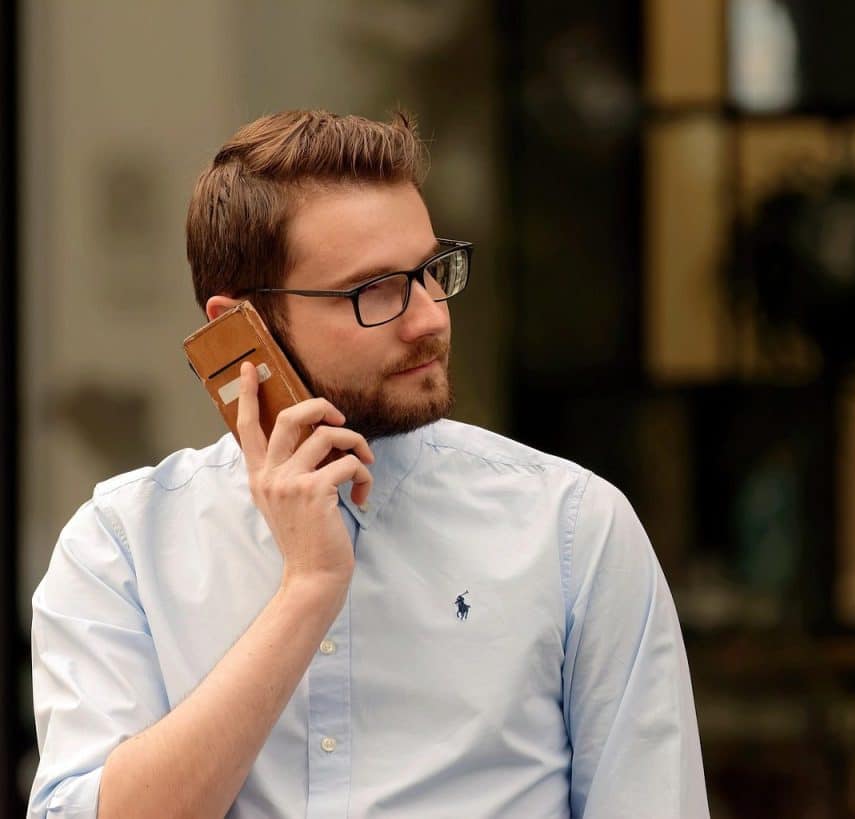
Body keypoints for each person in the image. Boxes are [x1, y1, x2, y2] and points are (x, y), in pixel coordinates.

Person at [28, 109, 709, 818]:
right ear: (239, 327)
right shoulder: (123, 546)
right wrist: (308, 590)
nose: (429, 318)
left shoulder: (572, 530)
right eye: (373, 291)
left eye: (430, 272)